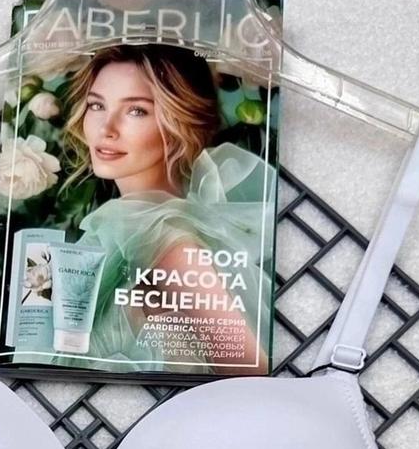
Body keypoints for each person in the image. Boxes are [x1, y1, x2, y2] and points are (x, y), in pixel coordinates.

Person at [60, 44, 276, 374]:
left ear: (181, 120)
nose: (106, 128)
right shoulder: (132, 228)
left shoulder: (163, 237)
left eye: (137, 111)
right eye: (96, 105)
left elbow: (251, 371)